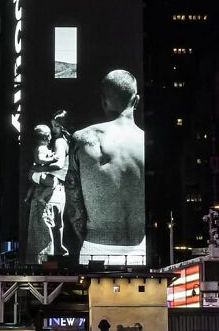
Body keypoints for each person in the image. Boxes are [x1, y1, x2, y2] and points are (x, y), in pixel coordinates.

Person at [65, 69, 145, 265]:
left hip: (96, 247)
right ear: (136, 100)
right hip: (140, 249)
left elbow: (73, 202)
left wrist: (86, 241)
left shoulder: (84, 139)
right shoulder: (147, 143)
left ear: (104, 101)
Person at [25, 111, 71, 262]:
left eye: (56, 125)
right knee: (55, 230)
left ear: (62, 126)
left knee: (42, 233)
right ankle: (54, 263)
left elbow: (59, 164)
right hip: (57, 190)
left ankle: (42, 266)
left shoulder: (59, 142)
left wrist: (37, 169)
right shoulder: (64, 142)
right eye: (52, 125)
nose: (53, 129)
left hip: (49, 191)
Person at [24, 124, 57, 202]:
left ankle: (27, 198)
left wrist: (50, 155)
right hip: (37, 174)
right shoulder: (42, 148)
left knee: (33, 185)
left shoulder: (38, 147)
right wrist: (52, 159)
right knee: (53, 184)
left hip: (33, 173)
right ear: (48, 137)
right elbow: (40, 160)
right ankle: (41, 197)